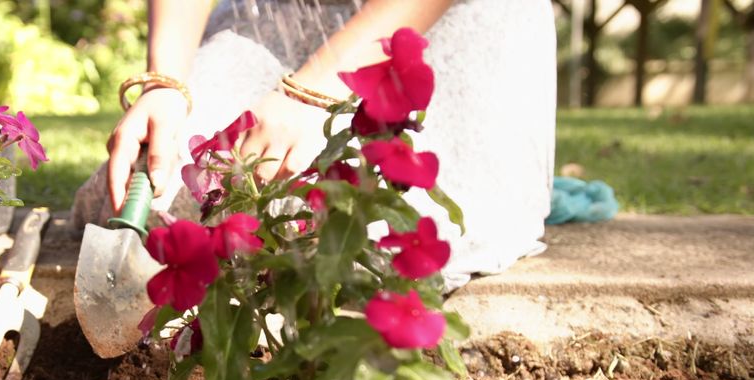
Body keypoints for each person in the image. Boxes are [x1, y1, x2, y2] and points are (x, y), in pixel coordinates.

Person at [72, 0, 556, 290]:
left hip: (431, 20)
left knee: (349, 230)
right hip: (281, 16)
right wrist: (166, 83)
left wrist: (312, 92)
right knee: (162, 188)